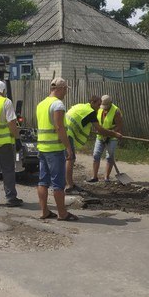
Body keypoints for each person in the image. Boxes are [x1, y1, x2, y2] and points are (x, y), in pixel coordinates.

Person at [35, 77, 77, 221]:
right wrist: (68, 148)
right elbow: (59, 127)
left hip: (42, 148)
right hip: (54, 149)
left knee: (42, 181)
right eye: (65, 89)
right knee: (58, 183)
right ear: (60, 89)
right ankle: (62, 213)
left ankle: (44, 211)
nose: (66, 92)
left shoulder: (41, 104)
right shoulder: (58, 104)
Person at [64, 95, 122, 193]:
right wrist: (114, 134)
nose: (99, 107)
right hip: (68, 133)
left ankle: (70, 183)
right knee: (70, 159)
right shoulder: (91, 112)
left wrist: (110, 134)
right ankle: (69, 185)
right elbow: (99, 129)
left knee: (69, 159)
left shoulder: (81, 106)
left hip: (64, 130)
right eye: (98, 104)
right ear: (92, 103)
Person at [87, 95, 124, 183]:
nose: (104, 108)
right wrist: (101, 132)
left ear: (110, 104)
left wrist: (109, 134)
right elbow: (96, 122)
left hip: (112, 137)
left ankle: (106, 177)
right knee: (96, 155)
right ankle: (94, 177)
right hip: (100, 136)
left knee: (109, 157)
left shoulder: (116, 111)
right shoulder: (99, 108)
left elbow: (119, 126)